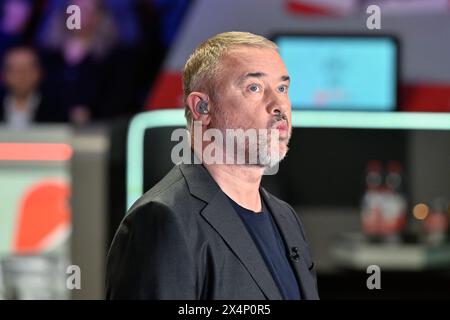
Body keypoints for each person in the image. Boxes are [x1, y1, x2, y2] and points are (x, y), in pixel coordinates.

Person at [106, 31, 319, 300]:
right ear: (202, 107)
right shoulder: (162, 219)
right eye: (254, 88)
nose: (278, 106)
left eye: (282, 88)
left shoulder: (286, 218)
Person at [0, 46, 63, 128]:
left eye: (28, 69)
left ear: (40, 72)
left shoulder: (57, 109)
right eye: (15, 69)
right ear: (3, 75)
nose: (22, 75)